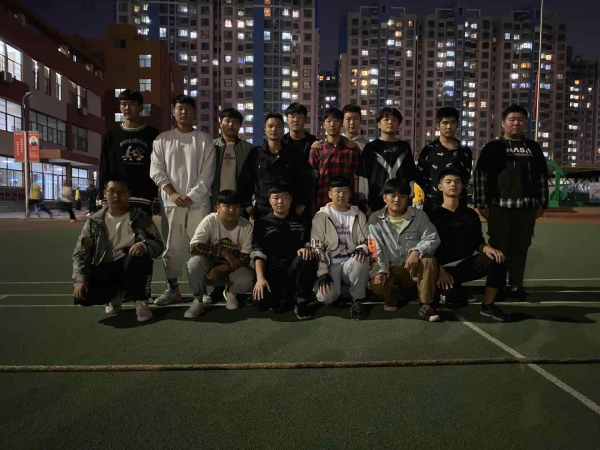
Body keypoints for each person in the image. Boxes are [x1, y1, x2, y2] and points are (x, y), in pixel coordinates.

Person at [474, 105, 549, 302]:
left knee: (521, 249)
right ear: (503, 123)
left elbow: (542, 176)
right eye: (512, 119)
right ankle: (495, 288)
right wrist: (481, 203)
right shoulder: (493, 147)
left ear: (525, 123)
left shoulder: (533, 147)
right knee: (499, 249)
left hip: (526, 208)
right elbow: (480, 175)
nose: (516, 123)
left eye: (521, 120)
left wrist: (543, 203)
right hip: (499, 207)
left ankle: (517, 287)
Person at [150, 94, 216, 306]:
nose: (184, 112)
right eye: (180, 108)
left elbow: (207, 174)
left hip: (199, 203)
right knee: (172, 248)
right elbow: (156, 170)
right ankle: (172, 289)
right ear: (173, 111)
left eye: (188, 108)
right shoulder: (162, 139)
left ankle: (201, 288)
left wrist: (191, 195)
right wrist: (172, 194)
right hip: (171, 203)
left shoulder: (203, 139)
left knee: (201, 246)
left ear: (194, 112)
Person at [72, 175, 164, 322]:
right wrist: (80, 280)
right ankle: (116, 295)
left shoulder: (140, 217)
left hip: (129, 265)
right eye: (112, 191)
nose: (116, 196)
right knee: (83, 296)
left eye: (122, 191)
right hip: (104, 268)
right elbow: (81, 253)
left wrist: (144, 245)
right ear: (104, 193)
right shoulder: (94, 221)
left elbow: (159, 244)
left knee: (142, 258)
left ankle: (141, 302)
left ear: (129, 194)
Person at [428, 169, 510, 321]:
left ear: (462, 186)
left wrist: (487, 248)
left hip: (464, 264)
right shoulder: (432, 215)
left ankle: (488, 305)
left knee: (498, 258)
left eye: (457, 182)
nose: (453, 185)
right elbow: (426, 248)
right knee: (449, 302)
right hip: (440, 269)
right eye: (448, 182)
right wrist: (439, 270)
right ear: (440, 187)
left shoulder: (470, 214)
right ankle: (449, 292)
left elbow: (477, 241)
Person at [368, 178, 441, 322]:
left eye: (402, 196)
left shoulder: (419, 216)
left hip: (412, 270)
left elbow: (433, 238)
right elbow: (374, 248)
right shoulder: (375, 218)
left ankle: (426, 304)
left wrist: (417, 251)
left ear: (408, 198)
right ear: (384, 197)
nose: (397, 200)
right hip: (389, 270)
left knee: (429, 260)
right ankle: (397, 293)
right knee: (378, 288)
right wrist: (380, 270)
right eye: (392, 195)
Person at [251, 184, 318, 320]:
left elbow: (309, 243)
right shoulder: (261, 223)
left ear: (291, 199)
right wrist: (260, 279)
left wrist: (307, 248)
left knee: (306, 257)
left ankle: (301, 301)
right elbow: (258, 254)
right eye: (276, 198)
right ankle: (286, 296)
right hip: (272, 273)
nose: (280, 201)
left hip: (294, 271)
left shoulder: (302, 221)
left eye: (284, 197)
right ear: (270, 200)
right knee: (261, 304)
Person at [183, 190, 254, 318]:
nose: (232, 210)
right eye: (227, 206)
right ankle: (197, 301)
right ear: (218, 208)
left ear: (241, 209)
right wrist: (222, 251)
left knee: (249, 279)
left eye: (236, 206)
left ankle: (231, 292)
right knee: (194, 263)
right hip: (209, 271)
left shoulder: (247, 227)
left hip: (231, 270)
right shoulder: (210, 220)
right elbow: (194, 247)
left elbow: (244, 259)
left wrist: (221, 268)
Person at [312, 176, 370, 320]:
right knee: (325, 297)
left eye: (345, 191)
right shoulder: (321, 216)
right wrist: (322, 273)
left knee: (360, 259)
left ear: (350, 194)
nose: (342, 195)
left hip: (351, 262)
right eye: (338, 191)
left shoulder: (359, 215)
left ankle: (357, 299)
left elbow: (367, 241)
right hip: (331, 264)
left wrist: (362, 248)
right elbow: (317, 247)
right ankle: (341, 291)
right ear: (330, 194)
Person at [239, 113, 312, 222]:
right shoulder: (256, 153)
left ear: (283, 130)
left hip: (290, 210)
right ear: (265, 130)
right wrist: (247, 205)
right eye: (270, 126)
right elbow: (245, 181)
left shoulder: (293, 153)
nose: (274, 129)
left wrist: (302, 204)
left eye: (278, 126)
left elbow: (306, 180)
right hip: (262, 210)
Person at [98, 89, 160, 216]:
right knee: (116, 229)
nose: (127, 108)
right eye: (123, 104)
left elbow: (157, 166)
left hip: (143, 197)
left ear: (140, 107)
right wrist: (103, 195)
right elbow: (104, 165)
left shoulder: (152, 134)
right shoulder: (112, 134)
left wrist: (155, 196)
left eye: (132, 104)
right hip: (117, 196)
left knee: (141, 229)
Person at [357, 107, 418, 215]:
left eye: (394, 120)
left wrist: (410, 198)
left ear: (398, 124)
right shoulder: (371, 147)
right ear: (378, 124)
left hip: (400, 202)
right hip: (375, 202)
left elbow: (410, 175)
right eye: (386, 119)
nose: (390, 122)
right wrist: (364, 202)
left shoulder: (404, 147)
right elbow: (363, 176)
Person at [417, 107, 473, 212]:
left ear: (457, 124)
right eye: (445, 123)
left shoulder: (465, 151)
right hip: (433, 208)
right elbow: (420, 177)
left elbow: (465, 177)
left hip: (458, 207)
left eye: (453, 122)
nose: (449, 127)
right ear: (438, 125)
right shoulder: (429, 150)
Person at [309, 107, 360, 210]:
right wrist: (312, 203)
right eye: (328, 121)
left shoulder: (351, 150)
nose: (332, 125)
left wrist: (356, 201)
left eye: (336, 121)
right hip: (323, 201)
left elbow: (357, 178)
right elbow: (313, 179)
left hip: (347, 203)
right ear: (324, 125)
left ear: (341, 124)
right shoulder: (317, 149)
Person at [212, 108, 254, 210]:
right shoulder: (211, 146)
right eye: (227, 121)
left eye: (235, 122)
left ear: (240, 125)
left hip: (239, 203)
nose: (231, 125)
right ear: (221, 123)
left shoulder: (249, 149)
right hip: (215, 201)